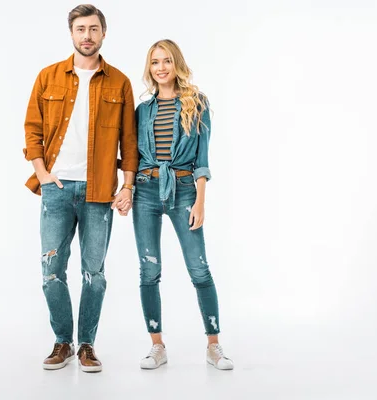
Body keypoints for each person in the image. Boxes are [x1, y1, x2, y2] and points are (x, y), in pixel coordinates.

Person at [23, 4, 137, 373]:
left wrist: (127, 186)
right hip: (56, 187)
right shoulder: (48, 76)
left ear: (104, 33)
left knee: (94, 272)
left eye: (93, 29)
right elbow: (32, 129)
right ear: (71, 34)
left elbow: (129, 141)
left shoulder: (119, 82)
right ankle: (62, 341)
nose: (86, 36)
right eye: (80, 29)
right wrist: (42, 173)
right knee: (52, 269)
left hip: (99, 190)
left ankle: (86, 344)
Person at [131, 39, 233, 370]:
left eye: (167, 61)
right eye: (155, 62)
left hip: (185, 189)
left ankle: (213, 345)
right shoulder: (142, 110)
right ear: (150, 68)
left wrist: (200, 201)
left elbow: (202, 159)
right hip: (145, 190)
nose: (161, 67)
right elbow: (133, 156)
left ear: (177, 65)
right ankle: (157, 345)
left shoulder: (196, 103)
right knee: (149, 270)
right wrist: (125, 187)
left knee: (198, 268)